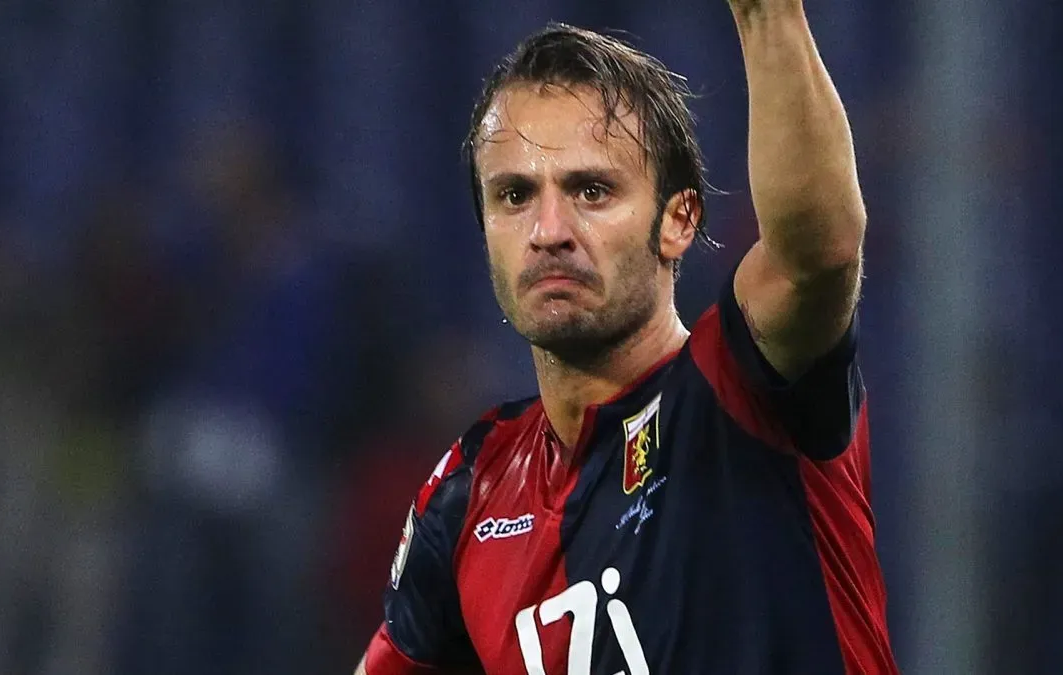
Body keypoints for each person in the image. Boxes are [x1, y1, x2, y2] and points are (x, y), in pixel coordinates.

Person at [358, 2, 897, 673]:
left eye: (591, 190)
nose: (548, 229)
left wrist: (768, 14)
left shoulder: (740, 390)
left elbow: (817, 256)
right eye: (515, 196)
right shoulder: (469, 494)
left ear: (678, 221)